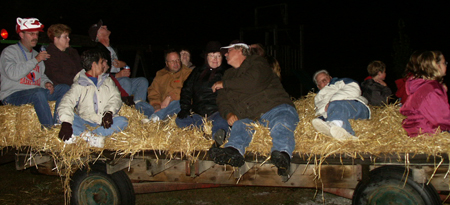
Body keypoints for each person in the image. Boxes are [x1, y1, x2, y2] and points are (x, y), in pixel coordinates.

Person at [210, 41, 299, 177]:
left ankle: (282, 155)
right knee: (240, 125)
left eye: (228, 51)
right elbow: (222, 99)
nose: (226, 54)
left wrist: (225, 84)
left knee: (281, 123)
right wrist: (228, 113)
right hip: (253, 116)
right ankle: (233, 151)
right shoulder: (228, 75)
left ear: (240, 50)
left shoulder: (258, 63)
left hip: (276, 107)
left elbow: (253, 82)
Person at [0, 17, 69, 128]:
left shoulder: (36, 54)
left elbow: (40, 76)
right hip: (13, 95)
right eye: (31, 34)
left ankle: (57, 124)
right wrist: (36, 60)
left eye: (36, 34)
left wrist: (46, 82)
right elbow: (13, 74)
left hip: (35, 92)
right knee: (38, 93)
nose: (35, 37)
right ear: (21, 35)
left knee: (65, 88)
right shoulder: (9, 52)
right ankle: (49, 130)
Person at [57, 49, 128, 145]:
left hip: (103, 122)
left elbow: (116, 98)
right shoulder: (80, 83)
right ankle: (93, 137)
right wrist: (66, 123)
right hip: (85, 121)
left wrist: (109, 112)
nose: (104, 64)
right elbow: (67, 102)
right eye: (101, 62)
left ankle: (89, 136)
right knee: (64, 117)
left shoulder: (107, 81)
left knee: (123, 121)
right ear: (94, 65)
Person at [176, 41, 229, 145]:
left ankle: (217, 137)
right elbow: (186, 90)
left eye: (218, 56)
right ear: (206, 57)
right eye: (212, 56)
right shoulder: (197, 72)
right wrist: (185, 108)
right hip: (198, 113)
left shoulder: (226, 73)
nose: (215, 59)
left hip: (217, 111)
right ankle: (203, 131)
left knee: (221, 121)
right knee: (180, 120)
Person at [88, 20, 149, 104]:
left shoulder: (113, 48)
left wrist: (123, 64)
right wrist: (117, 75)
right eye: (102, 27)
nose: (105, 26)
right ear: (98, 35)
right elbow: (98, 72)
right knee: (125, 81)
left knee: (143, 81)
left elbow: (121, 64)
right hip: (109, 82)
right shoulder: (97, 51)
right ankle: (126, 108)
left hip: (121, 79)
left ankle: (139, 108)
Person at [400, 50, 450, 137]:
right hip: (428, 131)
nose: (445, 65)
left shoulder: (423, 85)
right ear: (436, 66)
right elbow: (442, 119)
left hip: (418, 129)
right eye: (444, 63)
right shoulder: (432, 89)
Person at [311, 70, 370, 141]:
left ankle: (333, 125)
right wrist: (325, 108)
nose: (324, 81)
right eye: (320, 81)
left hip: (355, 107)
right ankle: (347, 134)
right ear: (318, 86)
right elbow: (318, 110)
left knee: (337, 104)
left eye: (325, 78)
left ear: (330, 77)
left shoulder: (341, 82)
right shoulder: (318, 97)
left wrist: (331, 101)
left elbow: (354, 89)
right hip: (336, 111)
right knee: (319, 119)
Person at [147, 49, 192, 122]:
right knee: (141, 104)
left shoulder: (188, 73)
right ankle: (158, 115)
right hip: (161, 106)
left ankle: (157, 118)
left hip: (176, 105)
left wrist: (170, 97)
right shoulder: (160, 74)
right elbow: (153, 93)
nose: (176, 63)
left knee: (179, 103)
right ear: (166, 63)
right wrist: (157, 105)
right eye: (172, 61)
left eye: (177, 60)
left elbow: (187, 91)